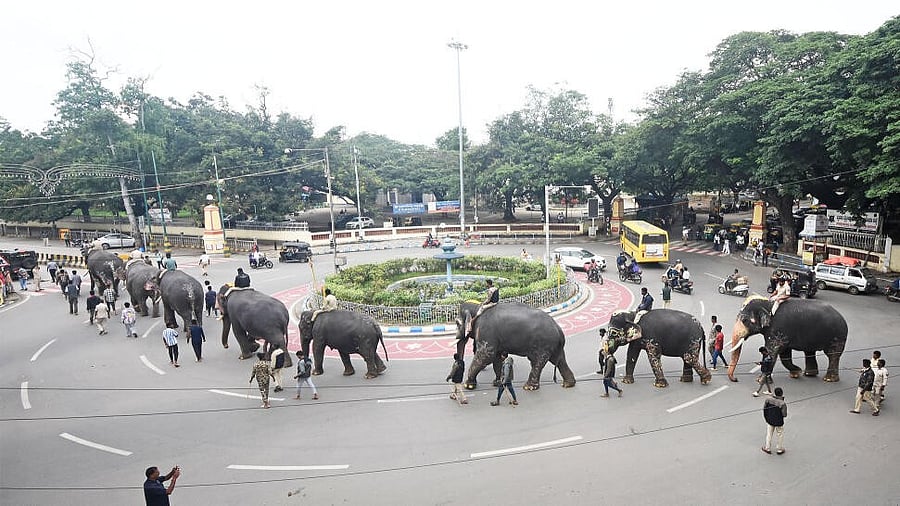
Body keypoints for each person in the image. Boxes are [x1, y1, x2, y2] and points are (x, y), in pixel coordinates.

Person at [761, 387, 787, 455]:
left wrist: (766, 418)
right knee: (780, 435)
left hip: (770, 420)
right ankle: (779, 449)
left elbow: (764, 409)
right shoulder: (782, 403)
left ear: (775, 393)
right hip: (779, 422)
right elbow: (784, 415)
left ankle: (767, 448)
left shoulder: (768, 400)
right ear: (781, 394)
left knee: (769, 434)